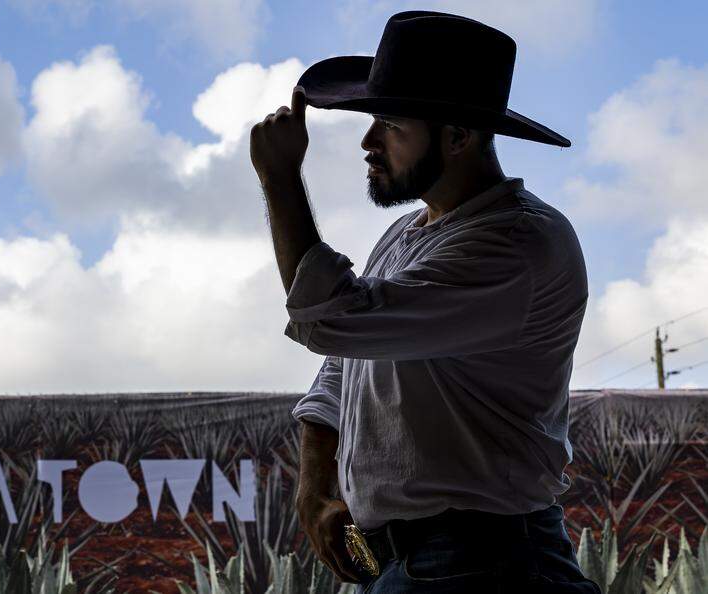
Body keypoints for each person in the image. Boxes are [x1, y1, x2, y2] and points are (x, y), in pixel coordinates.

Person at [249, 11, 601, 594]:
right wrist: (315, 497)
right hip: (410, 566)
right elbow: (341, 370)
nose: (368, 142)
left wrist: (279, 178)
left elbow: (333, 320)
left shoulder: (517, 242)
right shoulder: (408, 235)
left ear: (459, 135)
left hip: (483, 565)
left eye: (389, 123)